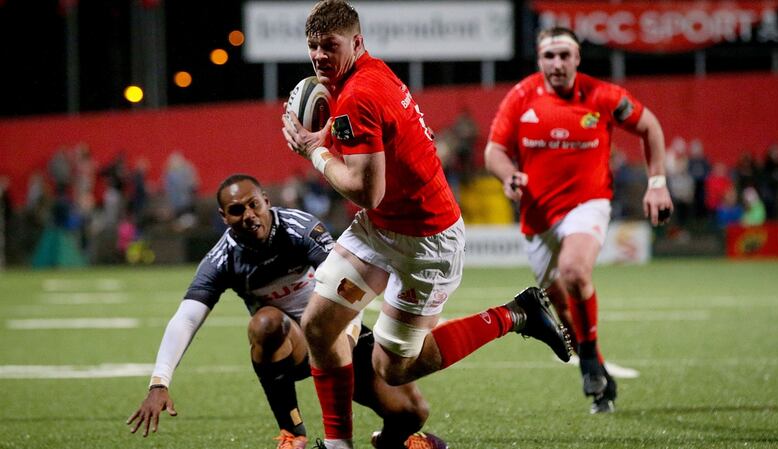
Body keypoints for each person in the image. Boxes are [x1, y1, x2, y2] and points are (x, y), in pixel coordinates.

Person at [281, 2, 572, 448]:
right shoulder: (362, 75)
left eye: (329, 45)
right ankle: (338, 445)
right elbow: (396, 143)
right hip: (381, 229)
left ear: (357, 42)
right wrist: (329, 139)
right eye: (313, 46)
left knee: (392, 368)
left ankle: (515, 314)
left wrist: (314, 152)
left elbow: (365, 191)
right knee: (319, 325)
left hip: (426, 243)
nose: (319, 55)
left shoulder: (358, 92)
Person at [126, 174, 448, 449]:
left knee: (411, 411)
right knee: (265, 324)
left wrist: (346, 339)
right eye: (237, 210)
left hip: (336, 330)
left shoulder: (300, 229)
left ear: (266, 201)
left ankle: (392, 441)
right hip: (291, 344)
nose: (249, 215)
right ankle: (292, 433)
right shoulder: (221, 259)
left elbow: (350, 286)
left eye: (253, 204)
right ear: (224, 217)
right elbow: (187, 317)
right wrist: (159, 382)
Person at [484, 27, 673, 414]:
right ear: (539, 60)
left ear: (577, 59)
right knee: (561, 306)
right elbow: (495, 150)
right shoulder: (521, 96)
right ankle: (599, 370)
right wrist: (508, 175)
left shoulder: (602, 96)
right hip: (537, 218)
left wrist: (656, 183)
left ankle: (586, 360)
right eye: (549, 56)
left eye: (564, 56)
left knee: (575, 271)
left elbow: (649, 126)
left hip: (588, 205)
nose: (557, 64)